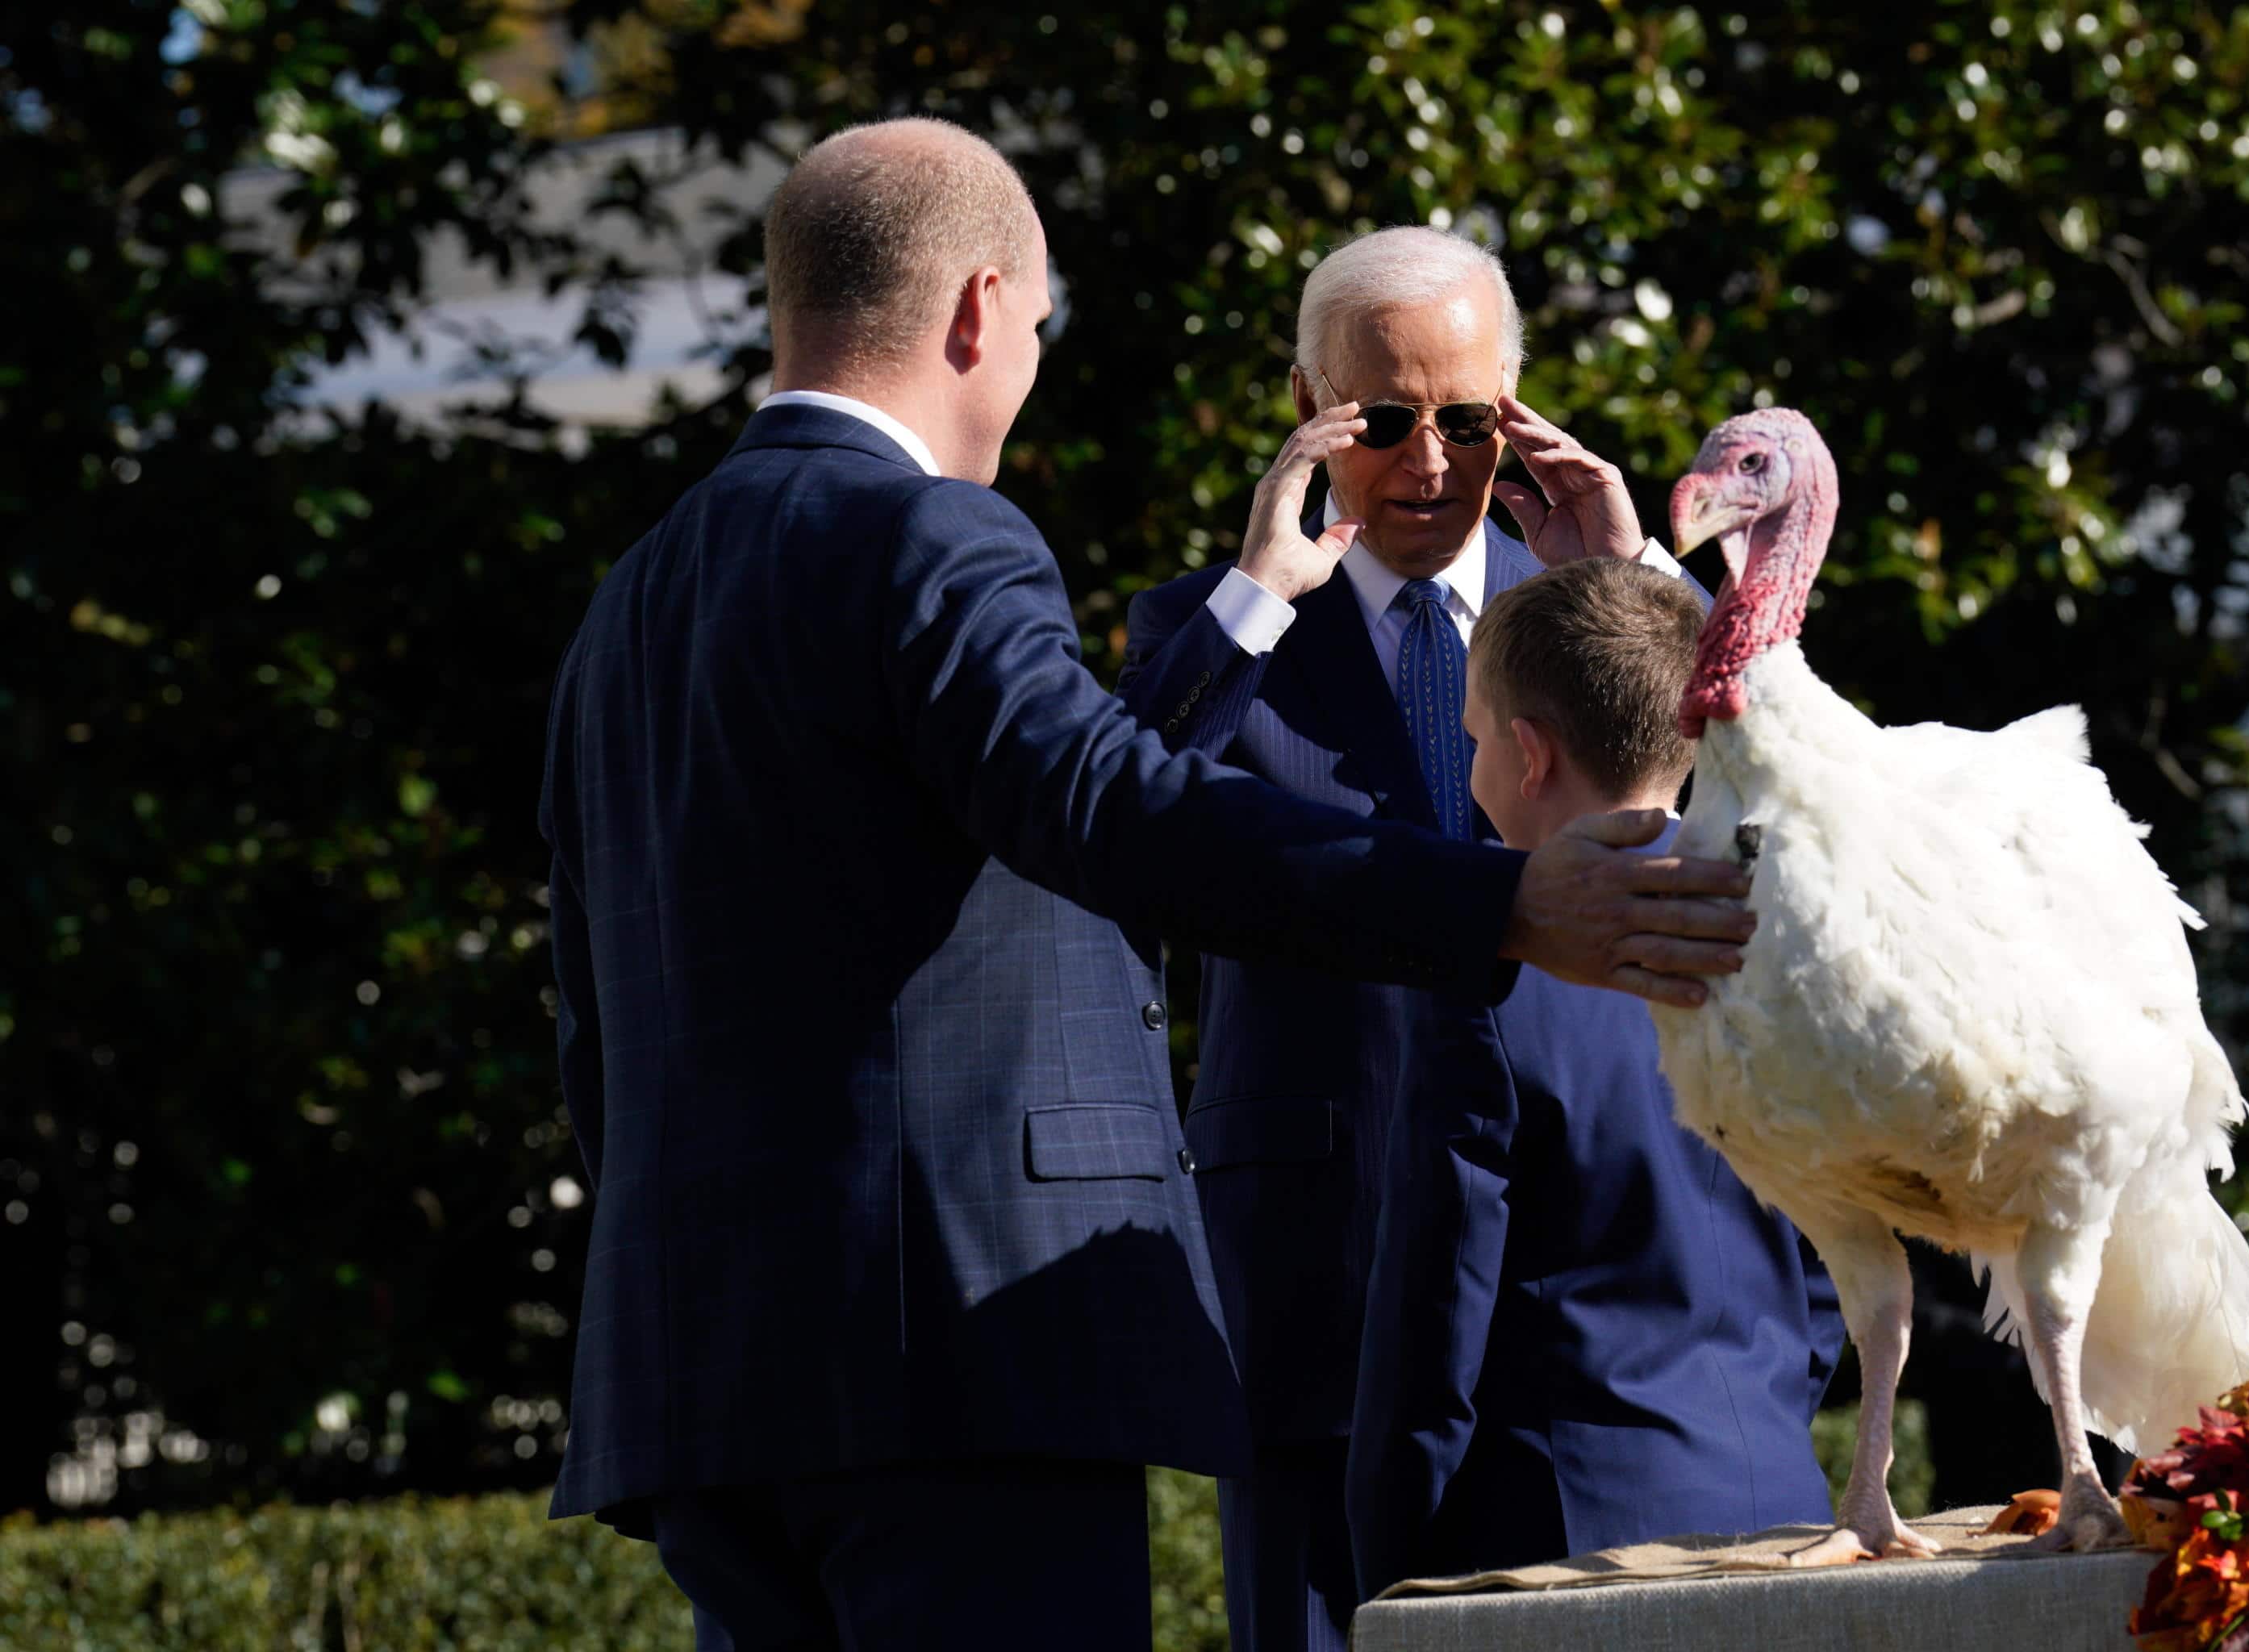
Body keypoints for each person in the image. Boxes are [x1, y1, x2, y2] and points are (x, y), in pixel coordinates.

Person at [536, 123, 1759, 1651]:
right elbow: (1114, 804)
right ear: (981, 307)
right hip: (968, 1365)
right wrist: (1497, 905)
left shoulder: (630, 602)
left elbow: (588, 1010)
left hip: (709, 1386)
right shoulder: (927, 536)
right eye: (1040, 324)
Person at [1117, 226, 1703, 1652]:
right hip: (1323, 1260)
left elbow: (1785, 835)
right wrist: (1254, 600)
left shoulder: (1595, 607)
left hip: (1582, 1275)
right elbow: (1101, 826)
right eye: (1381, 422)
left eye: (1466, 421)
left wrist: (1639, 583)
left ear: (1518, 407)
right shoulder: (1218, 630)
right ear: (1309, 400)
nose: (1428, 462)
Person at [1348, 560, 1846, 1597]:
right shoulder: (1790, 949)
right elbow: (1831, 1272)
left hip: (1561, 1534)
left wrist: (1392, 1559)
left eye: (1478, 737)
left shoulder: (1490, 977)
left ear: (1530, 754)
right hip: (1784, 1505)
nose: (1474, 764)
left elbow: (1437, 1317)